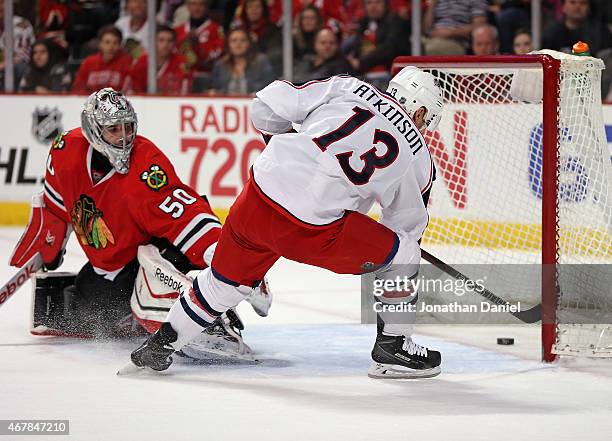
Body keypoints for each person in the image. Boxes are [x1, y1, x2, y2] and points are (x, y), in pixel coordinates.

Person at [128, 68, 445, 379]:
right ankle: (395, 346)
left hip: (257, 198)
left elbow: (265, 103)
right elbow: (406, 226)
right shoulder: (418, 155)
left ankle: (157, 348)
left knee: (221, 284)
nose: (423, 127)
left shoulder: (347, 87)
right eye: (426, 119)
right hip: (313, 230)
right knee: (404, 255)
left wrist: (289, 153)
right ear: (419, 110)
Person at [10, 88, 270, 359]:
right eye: (113, 129)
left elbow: (186, 216)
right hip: (109, 268)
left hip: (149, 255)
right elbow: (55, 204)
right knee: (93, 314)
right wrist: (48, 244)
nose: (123, 137)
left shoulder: (145, 165)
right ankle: (148, 312)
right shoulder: (65, 149)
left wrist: (231, 259)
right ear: (93, 129)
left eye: (128, 127)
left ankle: (206, 317)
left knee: (152, 268)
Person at [345, 0, 410, 88]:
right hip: (363, 76)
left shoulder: (396, 22)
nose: (373, 6)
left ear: (386, 5)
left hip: (389, 76)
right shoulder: (363, 23)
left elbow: (389, 49)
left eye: (378, 2)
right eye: (369, 3)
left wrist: (360, 62)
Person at [174, 0, 225, 91]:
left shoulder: (216, 30)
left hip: (207, 78)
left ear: (206, 7)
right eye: (193, 4)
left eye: (201, 4)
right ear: (187, 6)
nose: (197, 8)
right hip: (180, 79)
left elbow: (217, 56)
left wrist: (197, 46)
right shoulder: (178, 31)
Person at [127, 25, 192, 94]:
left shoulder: (181, 62)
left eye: (170, 41)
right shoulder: (142, 61)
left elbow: (184, 91)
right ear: (154, 42)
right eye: (161, 40)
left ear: (174, 43)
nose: (165, 45)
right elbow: (134, 90)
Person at [210, 27, 275, 95]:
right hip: (225, 104)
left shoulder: (261, 62)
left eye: (243, 40)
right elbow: (215, 89)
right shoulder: (220, 65)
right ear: (228, 45)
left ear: (249, 43)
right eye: (234, 40)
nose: (238, 43)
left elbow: (270, 87)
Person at [71, 26, 133, 94]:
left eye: (115, 43)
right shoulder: (89, 62)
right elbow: (77, 89)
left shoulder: (127, 61)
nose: (111, 47)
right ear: (100, 44)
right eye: (107, 42)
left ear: (120, 45)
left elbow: (128, 91)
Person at [542, 0, 612, 56]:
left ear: (589, 8)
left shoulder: (601, 32)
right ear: (563, 7)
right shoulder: (551, 33)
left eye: (583, 3)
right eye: (572, 2)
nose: (577, 7)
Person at [423, 0, 488, 55]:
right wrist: (432, 6)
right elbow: (426, 28)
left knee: (431, 47)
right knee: (416, 45)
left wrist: (450, 33)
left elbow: (479, 25)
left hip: (458, 41)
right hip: (431, 37)